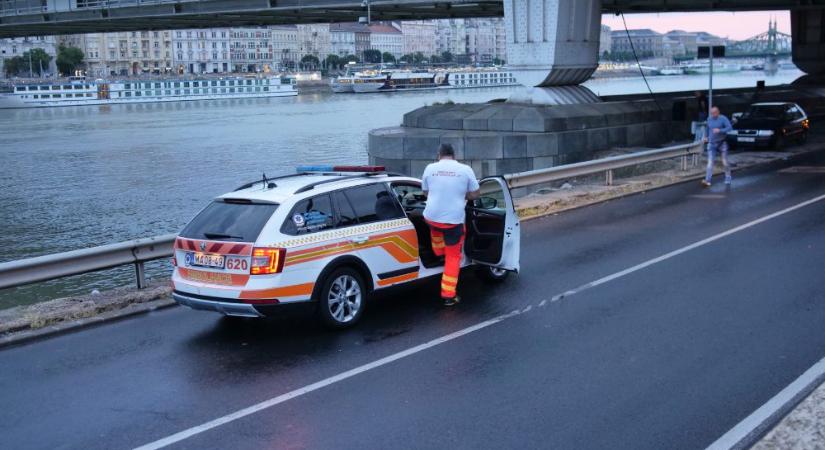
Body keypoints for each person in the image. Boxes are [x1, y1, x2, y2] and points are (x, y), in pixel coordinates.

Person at [422, 143, 480, 306]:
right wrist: (462, 194)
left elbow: (426, 192)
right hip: (453, 221)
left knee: (436, 228)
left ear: (438, 154)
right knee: (454, 257)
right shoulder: (465, 169)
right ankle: (448, 295)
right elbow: (476, 194)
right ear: (454, 155)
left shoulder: (429, 168)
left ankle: (439, 252)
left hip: (431, 218)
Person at [703, 106, 733, 187]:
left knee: (724, 161)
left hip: (722, 143)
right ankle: (707, 180)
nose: (713, 114)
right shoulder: (709, 119)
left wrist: (720, 130)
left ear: (718, 112)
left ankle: (728, 176)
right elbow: (707, 129)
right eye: (712, 113)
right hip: (712, 143)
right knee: (710, 162)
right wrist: (705, 137)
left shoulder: (723, 118)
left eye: (715, 113)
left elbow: (730, 128)